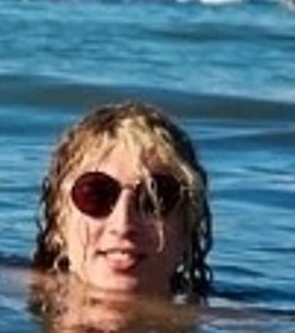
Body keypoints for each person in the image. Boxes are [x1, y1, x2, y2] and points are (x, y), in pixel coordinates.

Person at [31, 101, 212, 300]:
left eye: (154, 199)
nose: (123, 225)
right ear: (60, 224)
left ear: (187, 226)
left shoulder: (234, 326)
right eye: (96, 195)